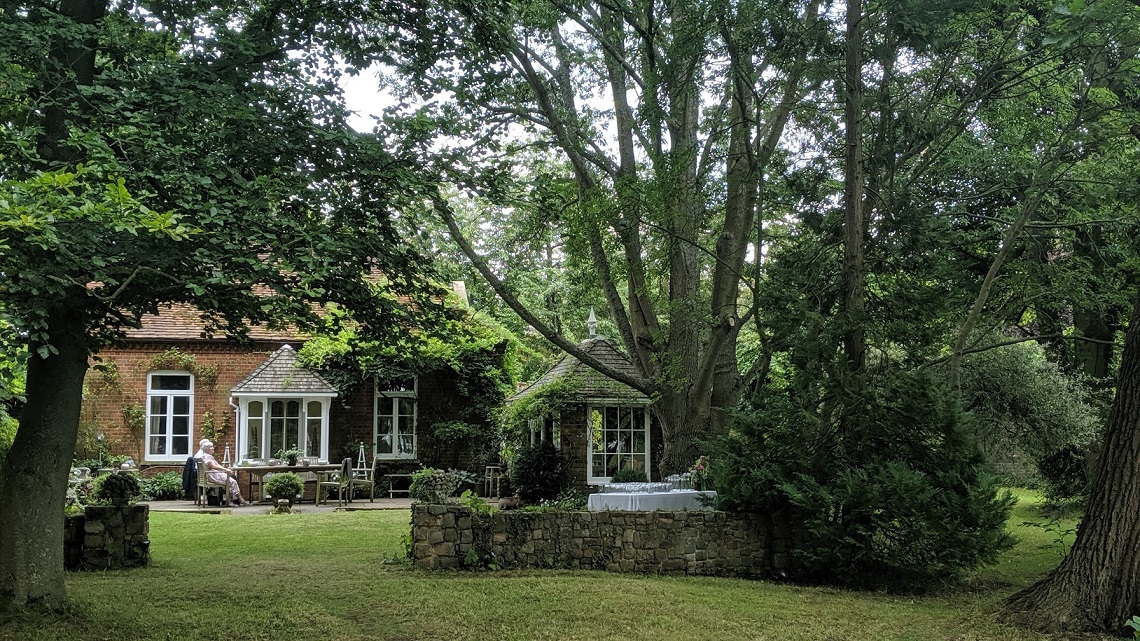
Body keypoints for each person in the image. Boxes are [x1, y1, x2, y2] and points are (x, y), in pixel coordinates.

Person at [194, 439, 247, 506]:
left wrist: (224, 470)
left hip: (211, 474)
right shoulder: (207, 457)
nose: (213, 448)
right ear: (207, 450)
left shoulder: (205, 456)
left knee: (230, 481)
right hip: (212, 476)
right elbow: (213, 466)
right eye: (211, 447)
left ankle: (233, 500)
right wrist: (225, 469)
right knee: (232, 481)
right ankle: (238, 500)